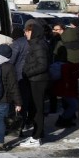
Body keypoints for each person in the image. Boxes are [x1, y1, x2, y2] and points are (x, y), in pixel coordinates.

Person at [0, 44, 23, 150]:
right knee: (1, 120)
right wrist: (18, 102)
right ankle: (0, 143)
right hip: (4, 98)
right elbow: (13, 86)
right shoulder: (9, 67)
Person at [21, 19, 50, 147]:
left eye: (27, 31)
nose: (25, 34)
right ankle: (38, 133)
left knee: (37, 109)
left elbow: (42, 65)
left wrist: (28, 72)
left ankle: (36, 136)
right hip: (35, 80)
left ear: (33, 32)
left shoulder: (38, 45)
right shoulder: (36, 44)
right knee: (35, 108)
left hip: (38, 81)